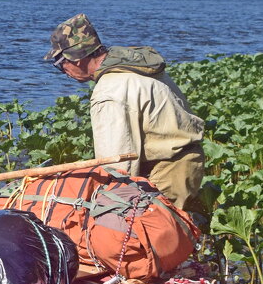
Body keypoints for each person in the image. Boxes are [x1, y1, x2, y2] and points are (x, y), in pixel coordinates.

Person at [45, 13, 206, 220]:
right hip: (188, 164)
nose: (64, 72)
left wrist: (106, 205)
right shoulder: (135, 66)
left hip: (167, 172)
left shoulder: (109, 91)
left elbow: (118, 164)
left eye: (60, 64)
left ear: (76, 59)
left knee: (141, 234)